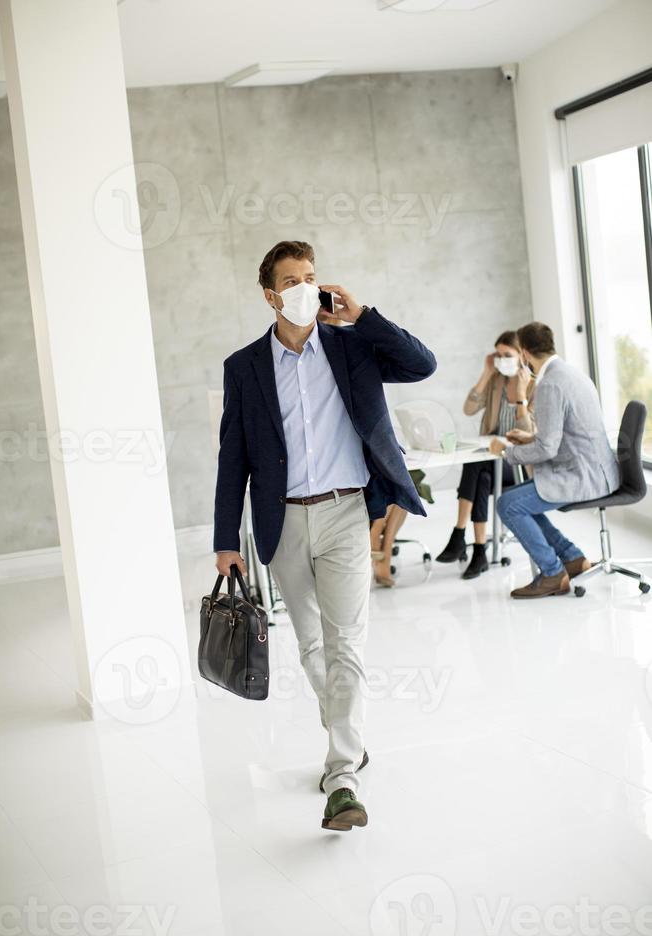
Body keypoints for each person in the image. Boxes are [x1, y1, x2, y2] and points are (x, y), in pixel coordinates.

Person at [213, 240, 436, 831]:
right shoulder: (244, 367)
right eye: (292, 280)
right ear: (270, 295)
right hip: (281, 520)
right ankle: (347, 732)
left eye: (311, 277)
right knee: (311, 644)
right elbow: (231, 457)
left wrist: (362, 315)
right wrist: (224, 538)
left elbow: (422, 364)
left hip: (344, 512)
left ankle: (342, 775)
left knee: (346, 644)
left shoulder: (352, 346)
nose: (304, 288)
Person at [489, 322, 620, 598]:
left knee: (507, 504)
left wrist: (506, 452)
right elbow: (557, 436)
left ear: (524, 354)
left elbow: (548, 449)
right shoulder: (572, 373)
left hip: (582, 477)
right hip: (599, 471)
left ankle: (552, 573)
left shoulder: (549, 384)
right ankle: (572, 558)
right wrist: (528, 440)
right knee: (520, 502)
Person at [436, 331, 535, 579]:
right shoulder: (496, 381)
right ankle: (479, 550)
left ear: (522, 355)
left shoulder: (533, 385)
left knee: (477, 467)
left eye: (507, 355)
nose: (502, 359)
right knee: (481, 475)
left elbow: (528, 432)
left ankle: (459, 534)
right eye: (498, 355)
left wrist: (521, 395)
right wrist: (486, 374)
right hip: (491, 459)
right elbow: (468, 409)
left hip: (518, 463)